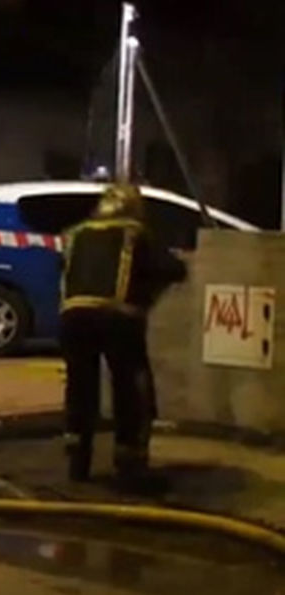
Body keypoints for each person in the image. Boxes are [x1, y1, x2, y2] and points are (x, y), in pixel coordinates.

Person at [58, 183, 187, 489]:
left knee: (80, 385)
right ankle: (129, 459)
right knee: (131, 384)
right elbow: (170, 268)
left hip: (73, 315)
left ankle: (78, 457)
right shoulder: (135, 232)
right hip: (117, 316)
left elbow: (62, 267)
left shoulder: (76, 233)